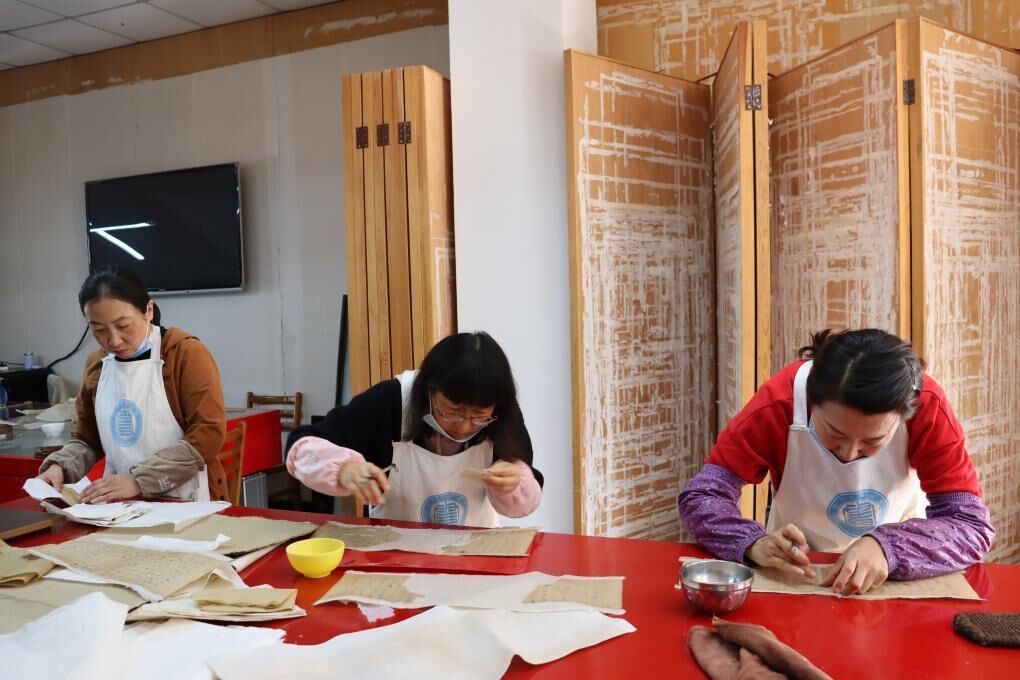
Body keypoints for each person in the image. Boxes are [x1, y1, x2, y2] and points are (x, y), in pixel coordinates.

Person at [678, 328, 994, 595]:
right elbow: (702, 495)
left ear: (905, 415)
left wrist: (889, 547)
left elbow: (971, 526)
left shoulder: (928, 406)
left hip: (896, 576)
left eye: (872, 440)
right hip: (796, 573)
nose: (849, 453)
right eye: (834, 432)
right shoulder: (780, 401)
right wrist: (751, 543)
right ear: (812, 399)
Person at [287, 331, 542, 526]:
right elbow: (301, 445)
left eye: (479, 416)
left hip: (474, 553)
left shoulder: (501, 414)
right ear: (429, 390)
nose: (465, 426)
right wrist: (344, 469)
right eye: (452, 412)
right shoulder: (390, 401)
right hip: (394, 554)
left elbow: (523, 494)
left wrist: (513, 483)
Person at [36, 266, 229, 503]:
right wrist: (60, 467)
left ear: (148, 310)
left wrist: (140, 480)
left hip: (187, 500)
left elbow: (208, 433)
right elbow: (87, 440)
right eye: (99, 330)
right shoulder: (97, 365)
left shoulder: (184, 353)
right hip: (120, 506)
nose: (114, 340)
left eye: (123, 326)